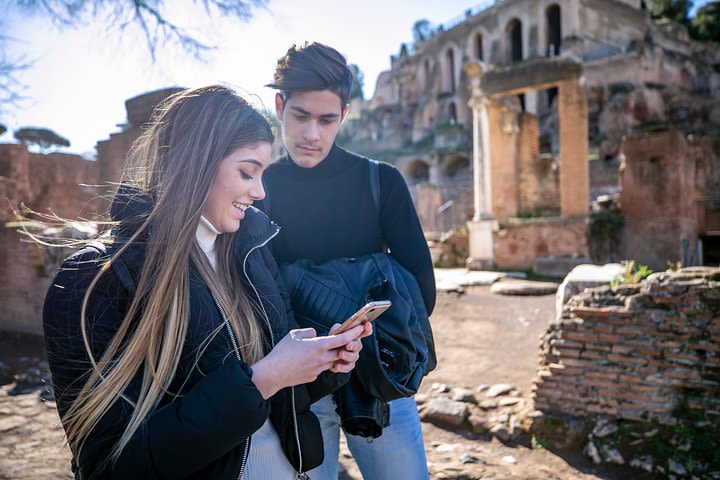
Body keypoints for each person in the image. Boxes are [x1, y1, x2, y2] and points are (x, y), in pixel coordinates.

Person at [42, 85, 372, 479]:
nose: (260, 192)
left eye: (262, 174)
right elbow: (109, 467)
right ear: (194, 164)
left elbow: (279, 399)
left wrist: (320, 365)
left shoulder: (252, 250)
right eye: (247, 172)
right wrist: (265, 378)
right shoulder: (93, 280)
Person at [260, 42, 436, 480]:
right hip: (296, 389)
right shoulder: (257, 188)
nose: (312, 135)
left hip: (376, 382)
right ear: (280, 106)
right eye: (300, 116)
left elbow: (422, 291)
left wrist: (363, 341)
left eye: (327, 120)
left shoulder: (383, 181)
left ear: (346, 114)